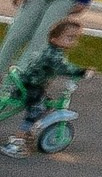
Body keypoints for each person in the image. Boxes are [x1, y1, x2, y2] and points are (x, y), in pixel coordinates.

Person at [1, 16, 89, 158]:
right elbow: (61, 67)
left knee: (45, 104)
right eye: (69, 37)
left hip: (34, 84)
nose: (73, 41)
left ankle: (29, 132)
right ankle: (17, 142)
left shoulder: (55, 51)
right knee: (35, 110)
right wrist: (81, 71)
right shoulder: (53, 54)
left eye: (75, 38)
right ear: (54, 39)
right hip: (31, 86)